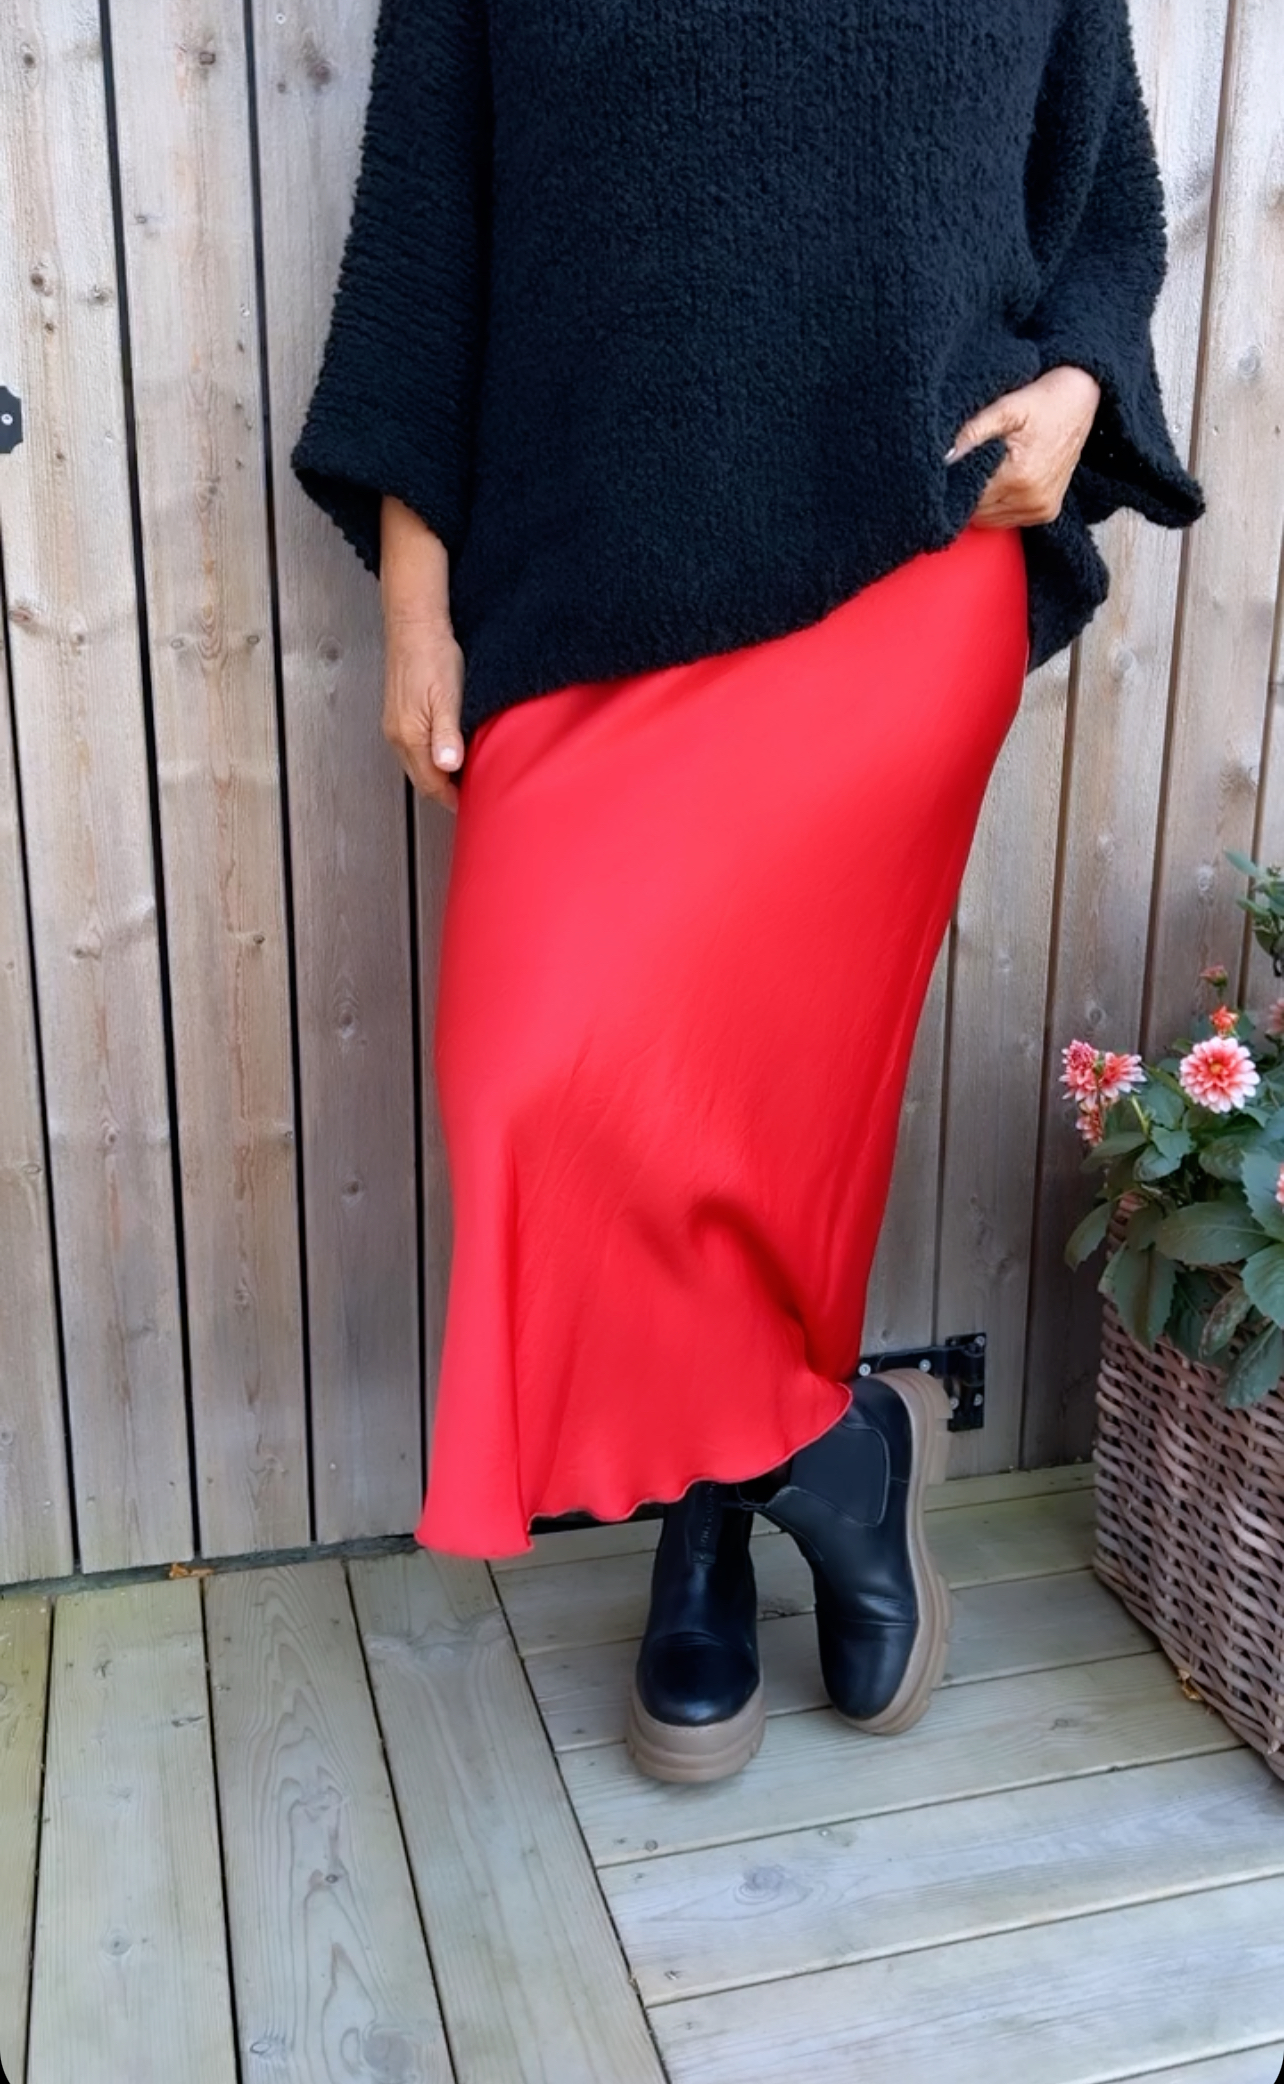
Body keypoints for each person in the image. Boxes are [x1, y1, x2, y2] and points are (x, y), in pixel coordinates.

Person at [291, 0, 1204, 1784]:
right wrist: (414, 607)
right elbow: (420, 242)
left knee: (776, 1113)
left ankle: (704, 1525)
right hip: (591, 576)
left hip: (904, 563)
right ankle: (828, 1452)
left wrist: (1081, 389)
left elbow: (1103, 203)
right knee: (530, 1083)